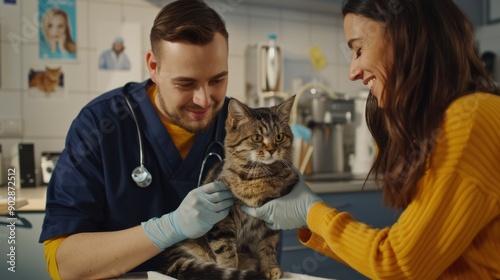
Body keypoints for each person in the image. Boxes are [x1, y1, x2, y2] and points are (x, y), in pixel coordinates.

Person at [242, 0, 500, 279]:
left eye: (359, 50)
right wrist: (312, 219)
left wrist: (313, 212)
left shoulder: (470, 120)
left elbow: (396, 264)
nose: (353, 71)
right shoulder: (466, 115)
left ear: (407, 37)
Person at [39, 1, 233, 279]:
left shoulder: (241, 125)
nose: (203, 100)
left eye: (217, 80)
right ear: (153, 66)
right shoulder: (98, 125)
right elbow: (65, 263)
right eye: (186, 84)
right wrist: (168, 228)